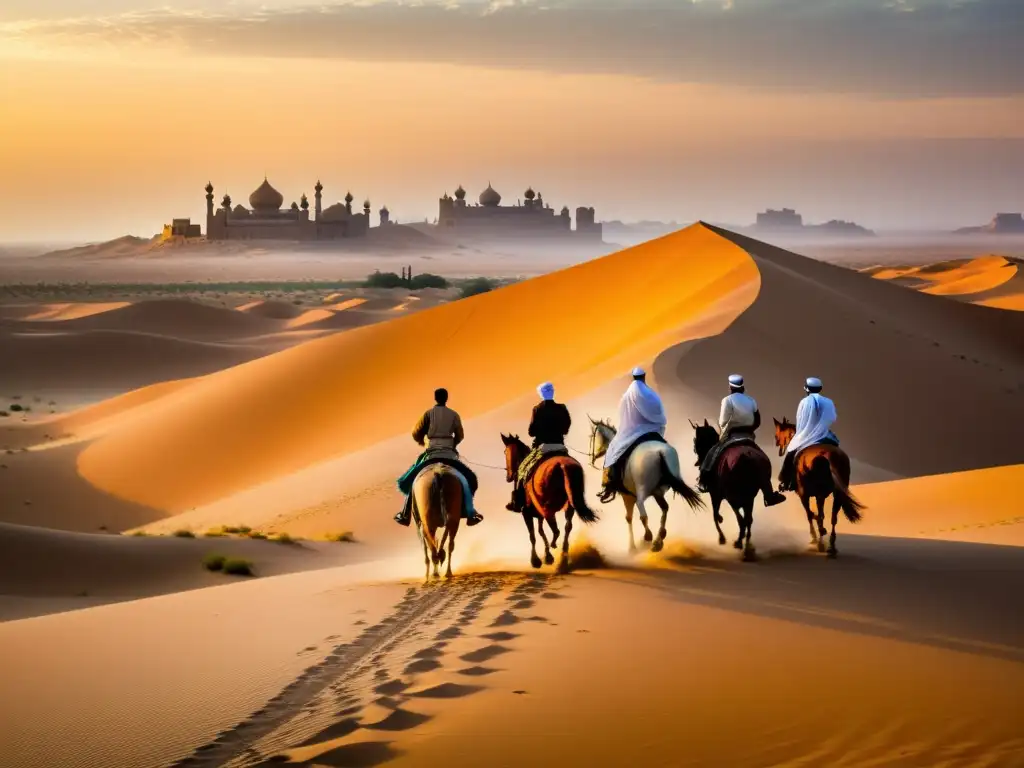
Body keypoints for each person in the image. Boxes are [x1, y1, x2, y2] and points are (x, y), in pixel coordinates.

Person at [395, 387, 483, 527]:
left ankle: (405, 514)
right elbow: (460, 435)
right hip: (449, 454)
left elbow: (416, 433)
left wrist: (422, 441)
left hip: (431, 454)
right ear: (446, 398)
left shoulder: (428, 414)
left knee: (412, 479)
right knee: (469, 480)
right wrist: (452, 444)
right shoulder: (454, 415)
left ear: (435, 398)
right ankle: (470, 513)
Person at [697, 374, 786, 506]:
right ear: (742, 386)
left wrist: (724, 431)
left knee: (712, 454)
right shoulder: (751, 401)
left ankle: (704, 482)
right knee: (764, 460)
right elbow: (758, 420)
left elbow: (722, 421)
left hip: (731, 435)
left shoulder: (727, 400)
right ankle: (769, 495)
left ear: (730, 387)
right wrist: (750, 429)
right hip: (748, 436)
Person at [597, 367, 667, 503]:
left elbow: (622, 416)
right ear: (644, 376)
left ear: (633, 377)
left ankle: (608, 486)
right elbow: (660, 413)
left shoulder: (626, 396)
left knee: (612, 450)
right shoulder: (651, 394)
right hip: (652, 430)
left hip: (632, 431)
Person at [506, 382, 572, 512]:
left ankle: (517, 502)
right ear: (553, 392)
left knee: (522, 471)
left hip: (543, 448)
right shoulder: (562, 407)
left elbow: (531, 431)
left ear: (541, 394)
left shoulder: (537, 409)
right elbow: (566, 426)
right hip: (560, 447)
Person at [778, 377, 840, 492]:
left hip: (807, 434)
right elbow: (833, 418)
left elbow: (801, 420)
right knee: (836, 451)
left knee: (791, 453)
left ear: (806, 389)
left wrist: (803, 432)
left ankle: (787, 482)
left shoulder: (804, 402)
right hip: (825, 435)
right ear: (820, 388)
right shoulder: (829, 402)